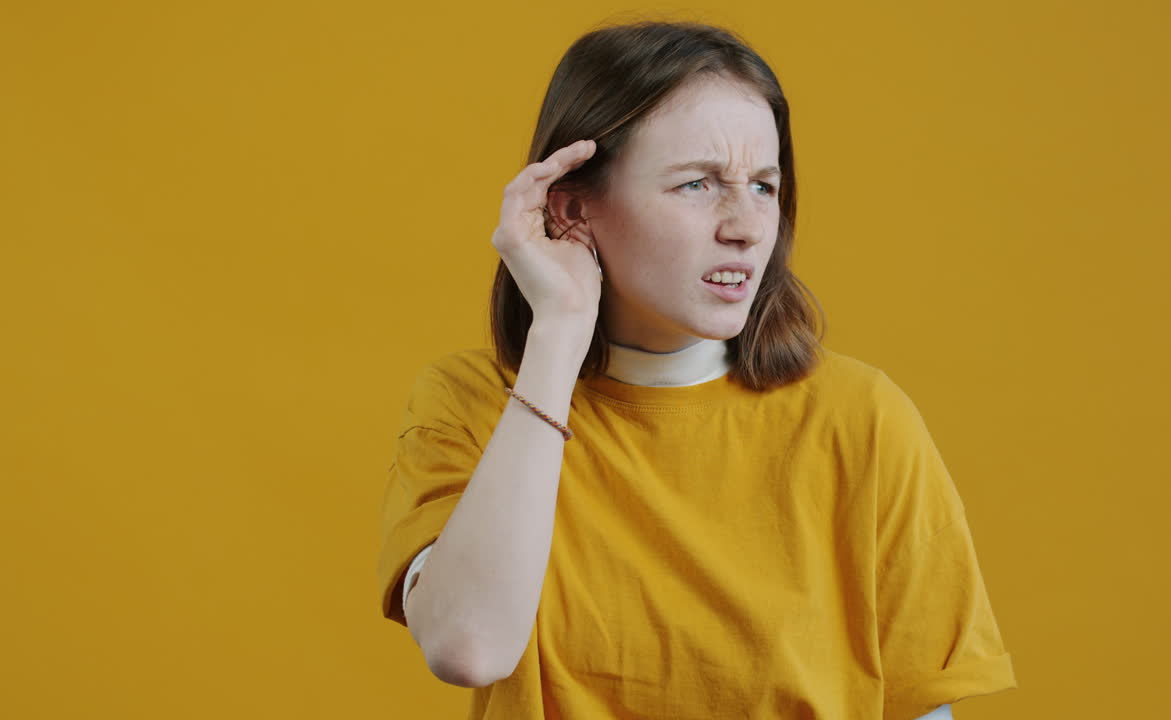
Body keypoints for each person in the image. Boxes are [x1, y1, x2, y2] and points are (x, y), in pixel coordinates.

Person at [376, 19, 1016, 720]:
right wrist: (559, 329)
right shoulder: (467, 403)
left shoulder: (862, 418)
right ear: (571, 208)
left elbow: (923, 710)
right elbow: (468, 646)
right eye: (697, 185)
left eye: (765, 187)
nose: (746, 226)